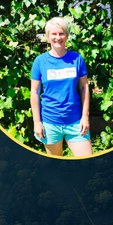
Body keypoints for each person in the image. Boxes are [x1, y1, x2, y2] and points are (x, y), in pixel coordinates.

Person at [31, 17, 92, 157]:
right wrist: (37, 122)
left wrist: (85, 117)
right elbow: (34, 92)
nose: (58, 37)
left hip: (76, 122)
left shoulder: (77, 59)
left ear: (67, 36)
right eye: (54, 34)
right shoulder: (39, 62)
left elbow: (84, 87)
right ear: (47, 36)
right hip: (50, 124)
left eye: (61, 33)